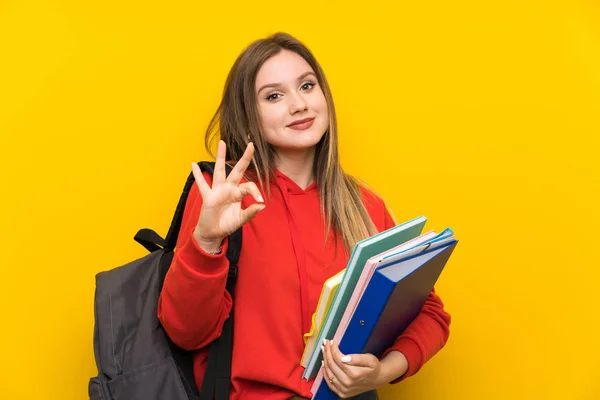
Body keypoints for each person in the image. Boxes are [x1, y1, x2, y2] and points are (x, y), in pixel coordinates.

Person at [157, 32, 451, 400]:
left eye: (307, 86)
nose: (298, 105)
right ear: (248, 118)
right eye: (274, 95)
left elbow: (429, 312)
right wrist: (206, 241)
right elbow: (185, 332)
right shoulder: (226, 198)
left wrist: (380, 372)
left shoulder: (365, 205)